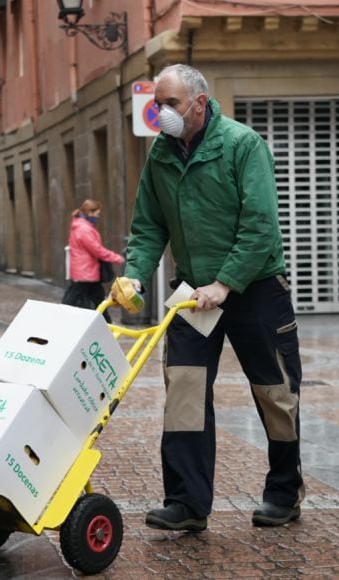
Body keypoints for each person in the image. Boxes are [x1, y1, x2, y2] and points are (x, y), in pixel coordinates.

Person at [112, 64, 304, 531]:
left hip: (254, 288)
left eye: (170, 104)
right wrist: (135, 274)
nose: (161, 113)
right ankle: (186, 503)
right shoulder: (160, 154)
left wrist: (226, 283)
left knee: (275, 393)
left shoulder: (242, 145)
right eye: (156, 104)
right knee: (185, 391)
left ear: (199, 103)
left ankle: (284, 491)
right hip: (194, 294)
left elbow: (260, 226)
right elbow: (148, 224)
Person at [63, 199, 124, 320]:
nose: (98, 217)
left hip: (84, 271)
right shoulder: (84, 229)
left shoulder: (80, 226)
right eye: (97, 214)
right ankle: (106, 325)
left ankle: (105, 324)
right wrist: (116, 257)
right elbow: (96, 249)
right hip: (86, 272)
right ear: (90, 213)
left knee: (95, 299)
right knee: (79, 300)